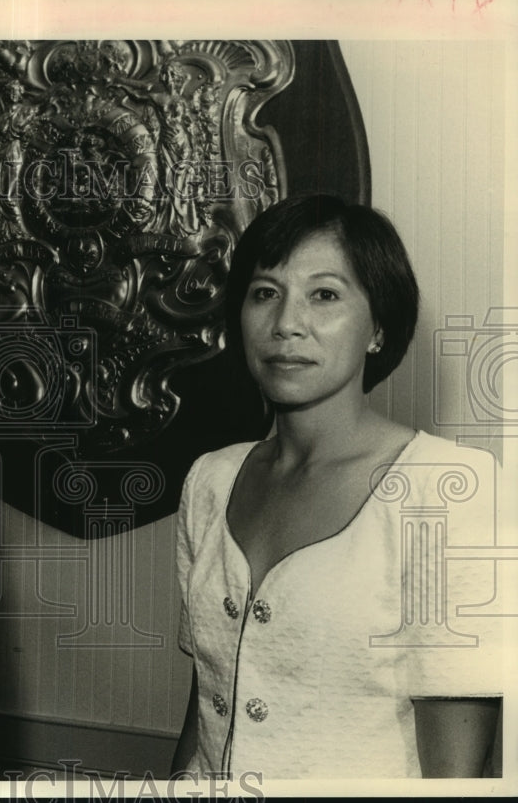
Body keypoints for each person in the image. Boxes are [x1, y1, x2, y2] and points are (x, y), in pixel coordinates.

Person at [171, 194, 503, 778]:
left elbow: (455, 773)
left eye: (324, 295)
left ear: (378, 327)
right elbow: (206, 707)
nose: (286, 324)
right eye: (264, 293)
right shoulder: (211, 479)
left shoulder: (447, 491)